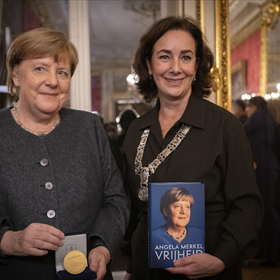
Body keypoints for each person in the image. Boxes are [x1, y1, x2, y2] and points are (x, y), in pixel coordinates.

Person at [122, 16, 263, 280]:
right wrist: (131, 264)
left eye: (186, 57)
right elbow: (133, 210)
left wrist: (221, 259)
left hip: (208, 269)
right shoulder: (135, 130)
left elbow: (248, 206)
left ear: (196, 66)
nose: (175, 68)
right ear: (149, 66)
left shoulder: (225, 127)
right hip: (146, 269)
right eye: (164, 57)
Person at [0, 27, 129, 280]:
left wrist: (103, 246)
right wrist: (9, 240)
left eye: (62, 72)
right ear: (16, 74)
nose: (53, 81)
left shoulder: (88, 127)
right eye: (40, 68)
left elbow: (116, 199)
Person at [244, 96, 280, 266]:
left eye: (248, 107)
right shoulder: (267, 118)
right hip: (268, 167)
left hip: (264, 168)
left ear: (255, 106)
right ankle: (267, 252)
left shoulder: (259, 116)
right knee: (266, 210)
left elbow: (241, 130)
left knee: (267, 211)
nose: (246, 111)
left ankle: (273, 255)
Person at [150, 187, 204, 268]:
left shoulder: (199, 233)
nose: (183, 211)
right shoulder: (153, 236)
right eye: (177, 206)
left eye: (187, 207)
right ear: (166, 211)